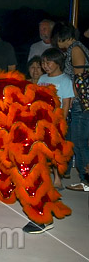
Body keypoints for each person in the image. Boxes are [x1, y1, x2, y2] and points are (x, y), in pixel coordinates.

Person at [52, 23, 89, 192]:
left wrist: (74, 100)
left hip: (81, 104)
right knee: (76, 141)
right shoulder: (75, 48)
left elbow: (79, 78)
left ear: (62, 37)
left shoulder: (75, 49)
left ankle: (85, 180)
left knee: (80, 142)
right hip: (80, 103)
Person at [38, 47, 74, 191]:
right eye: (43, 63)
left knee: (55, 150)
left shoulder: (65, 80)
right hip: (42, 119)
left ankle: (57, 179)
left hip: (56, 120)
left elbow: (66, 102)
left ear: (58, 62)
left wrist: (61, 121)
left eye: (48, 62)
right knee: (41, 148)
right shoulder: (42, 79)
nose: (45, 66)